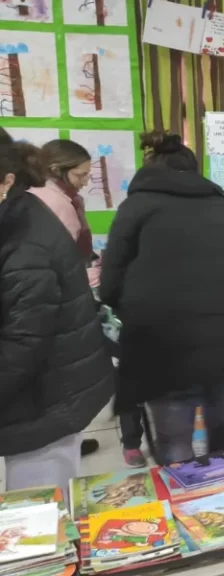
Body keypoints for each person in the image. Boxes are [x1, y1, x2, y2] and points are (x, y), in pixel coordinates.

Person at [99, 131, 224, 465]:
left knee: (174, 441)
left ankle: (188, 509)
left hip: (166, 348)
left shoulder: (136, 206)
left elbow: (110, 284)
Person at [0, 129, 114, 498]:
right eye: (82, 175)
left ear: (6, 181)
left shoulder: (27, 239)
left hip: (42, 400)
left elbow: (25, 339)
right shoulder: (28, 212)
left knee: (41, 518)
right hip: (42, 395)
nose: (84, 183)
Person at [28, 139, 124, 461]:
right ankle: (66, 436)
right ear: (59, 170)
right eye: (81, 175)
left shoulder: (62, 198)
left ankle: (71, 434)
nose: (85, 181)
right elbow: (61, 262)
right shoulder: (54, 204)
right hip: (65, 299)